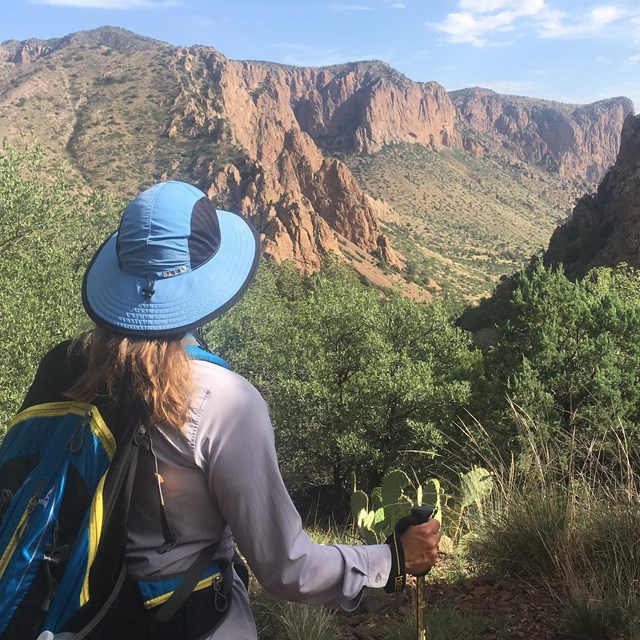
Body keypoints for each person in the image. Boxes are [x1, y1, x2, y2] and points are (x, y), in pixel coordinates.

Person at [27, 181, 441, 639]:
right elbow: (287, 567)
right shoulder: (223, 400)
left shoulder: (64, 368)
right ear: (204, 286)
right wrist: (390, 559)